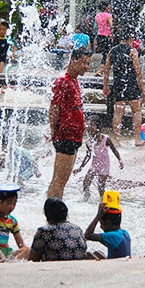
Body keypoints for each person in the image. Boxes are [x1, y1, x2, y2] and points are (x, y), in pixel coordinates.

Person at [47, 46, 92, 199]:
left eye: (88, 63)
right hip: (65, 135)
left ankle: (56, 211)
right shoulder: (63, 80)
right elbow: (54, 107)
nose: (86, 67)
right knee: (59, 180)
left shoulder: (73, 80)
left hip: (74, 136)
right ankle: (52, 217)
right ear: (73, 60)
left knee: (63, 180)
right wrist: (53, 130)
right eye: (84, 63)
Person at [103, 27, 145, 146]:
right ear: (130, 38)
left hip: (118, 84)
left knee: (118, 112)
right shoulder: (132, 51)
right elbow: (138, 71)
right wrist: (142, 87)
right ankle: (137, 139)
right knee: (137, 111)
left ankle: (116, 140)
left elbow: (106, 70)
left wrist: (105, 85)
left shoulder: (112, 51)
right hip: (131, 84)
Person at [72, 116, 124, 200]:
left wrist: (120, 160)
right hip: (94, 165)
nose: (89, 127)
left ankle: (102, 202)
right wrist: (80, 168)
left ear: (98, 128)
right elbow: (88, 156)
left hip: (104, 165)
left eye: (92, 125)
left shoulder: (105, 139)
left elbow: (114, 150)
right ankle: (86, 199)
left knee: (101, 186)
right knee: (86, 182)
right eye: (88, 125)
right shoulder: (89, 142)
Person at [0, 187, 30, 261]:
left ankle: (8, 264)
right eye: (9, 204)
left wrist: (25, 252)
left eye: (14, 204)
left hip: (6, 252)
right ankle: (6, 265)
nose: (12, 207)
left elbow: (21, 245)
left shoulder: (13, 221)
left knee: (28, 250)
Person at [29, 197, 87, 262]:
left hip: (56, 269)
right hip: (78, 267)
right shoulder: (77, 228)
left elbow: (33, 260)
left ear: (47, 214)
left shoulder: (44, 231)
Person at [94, 2, 113, 76]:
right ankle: (100, 70)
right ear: (106, 8)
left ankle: (105, 70)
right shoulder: (109, 16)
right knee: (107, 54)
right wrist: (111, 34)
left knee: (105, 54)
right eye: (108, 6)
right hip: (106, 36)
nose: (110, 7)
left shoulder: (97, 16)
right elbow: (111, 26)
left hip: (99, 36)